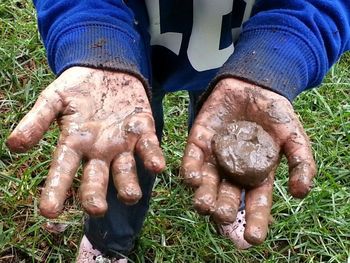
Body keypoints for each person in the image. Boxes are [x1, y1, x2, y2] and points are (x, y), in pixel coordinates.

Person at [6, 0, 350, 262]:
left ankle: (234, 200)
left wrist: (277, 59)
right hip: (123, 54)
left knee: (225, 127)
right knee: (123, 147)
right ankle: (109, 240)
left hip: (243, 58)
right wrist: (94, 39)